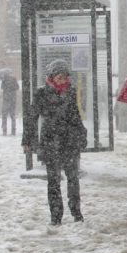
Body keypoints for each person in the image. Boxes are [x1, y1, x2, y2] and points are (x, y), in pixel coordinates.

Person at [22, 59, 87, 225]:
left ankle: (76, 212)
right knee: (53, 180)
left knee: (73, 178)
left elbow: (75, 116)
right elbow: (31, 117)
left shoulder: (71, 92)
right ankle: (56, 215)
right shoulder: (41, 93)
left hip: (69, 141)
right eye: (59, 77)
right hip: (51, 141)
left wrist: (82, 134)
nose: (62, 80)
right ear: (51, 77)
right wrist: (28, 139)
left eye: (64, 77)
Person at [0, 72, 19, 136]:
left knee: (4, 116)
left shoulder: (4, 80)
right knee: (13, 116)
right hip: (13, 100)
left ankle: (4, 131)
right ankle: (13, 131)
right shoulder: (14, 79)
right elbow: (17, 87)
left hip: (6, 100)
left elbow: (2, 87)